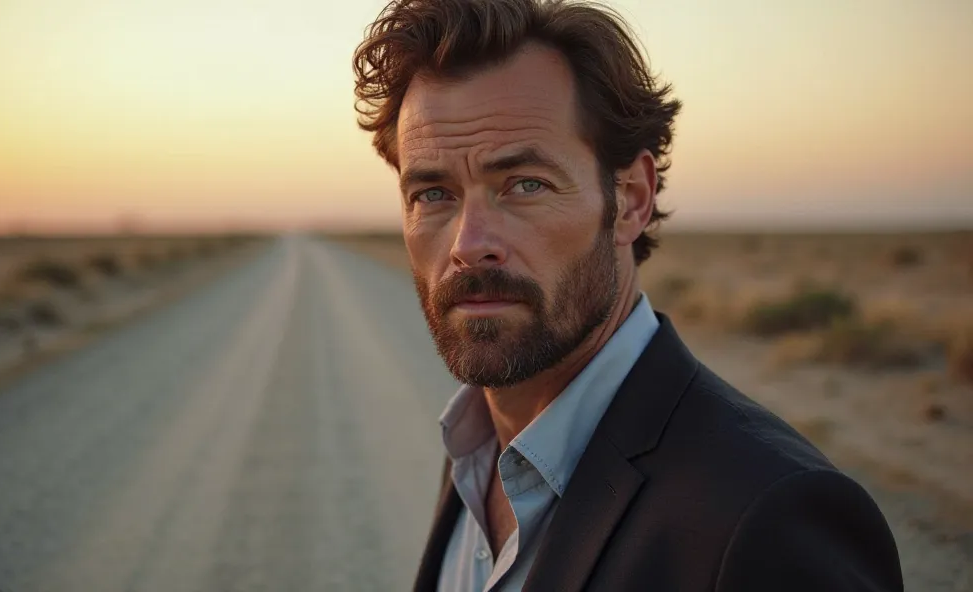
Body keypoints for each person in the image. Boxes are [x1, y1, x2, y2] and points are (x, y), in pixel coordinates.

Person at [352, 1, 904, 590]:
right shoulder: (477, 449)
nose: (469, 245)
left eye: (525, 184)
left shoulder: (769, 517)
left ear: (632, 199)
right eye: (433, 194)